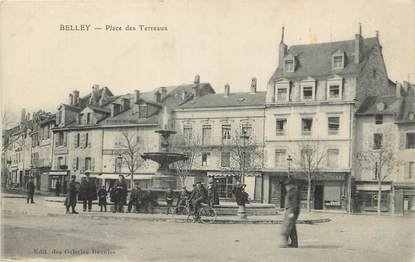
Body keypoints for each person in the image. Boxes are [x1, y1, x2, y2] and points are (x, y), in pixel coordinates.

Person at [280, 177, 301, 248]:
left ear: (292, 185)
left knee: (287, 226)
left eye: (288, 185)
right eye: (286, 185)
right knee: (291, 227)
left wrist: (292, 213)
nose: (286, 186)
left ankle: (285, 243)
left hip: (292, 210)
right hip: (290, 210)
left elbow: (295, 203)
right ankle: (294, 243)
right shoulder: (291, 191)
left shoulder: (294, 192)